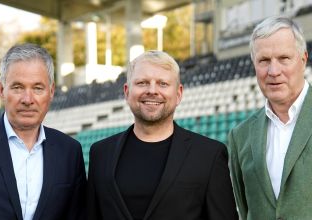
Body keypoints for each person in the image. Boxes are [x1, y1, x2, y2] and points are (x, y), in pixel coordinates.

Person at [87, 50, 238, 220]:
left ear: (179, 93)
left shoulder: (209, 155)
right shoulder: (100, 153)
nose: (152, 90)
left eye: (163, 84)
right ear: (127, 92)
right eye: (142, 82)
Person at [228, 16, 312, 219]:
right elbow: (245, 208)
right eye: (264, 61)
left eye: (284, 58)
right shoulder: (240, 136)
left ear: (303, 59)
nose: (273, 71)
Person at [0, 43, 86, 220]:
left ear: (51, 92)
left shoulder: (70, 151)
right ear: (2, 90)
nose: (28, 100)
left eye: (37, 88)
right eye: (18, 87)